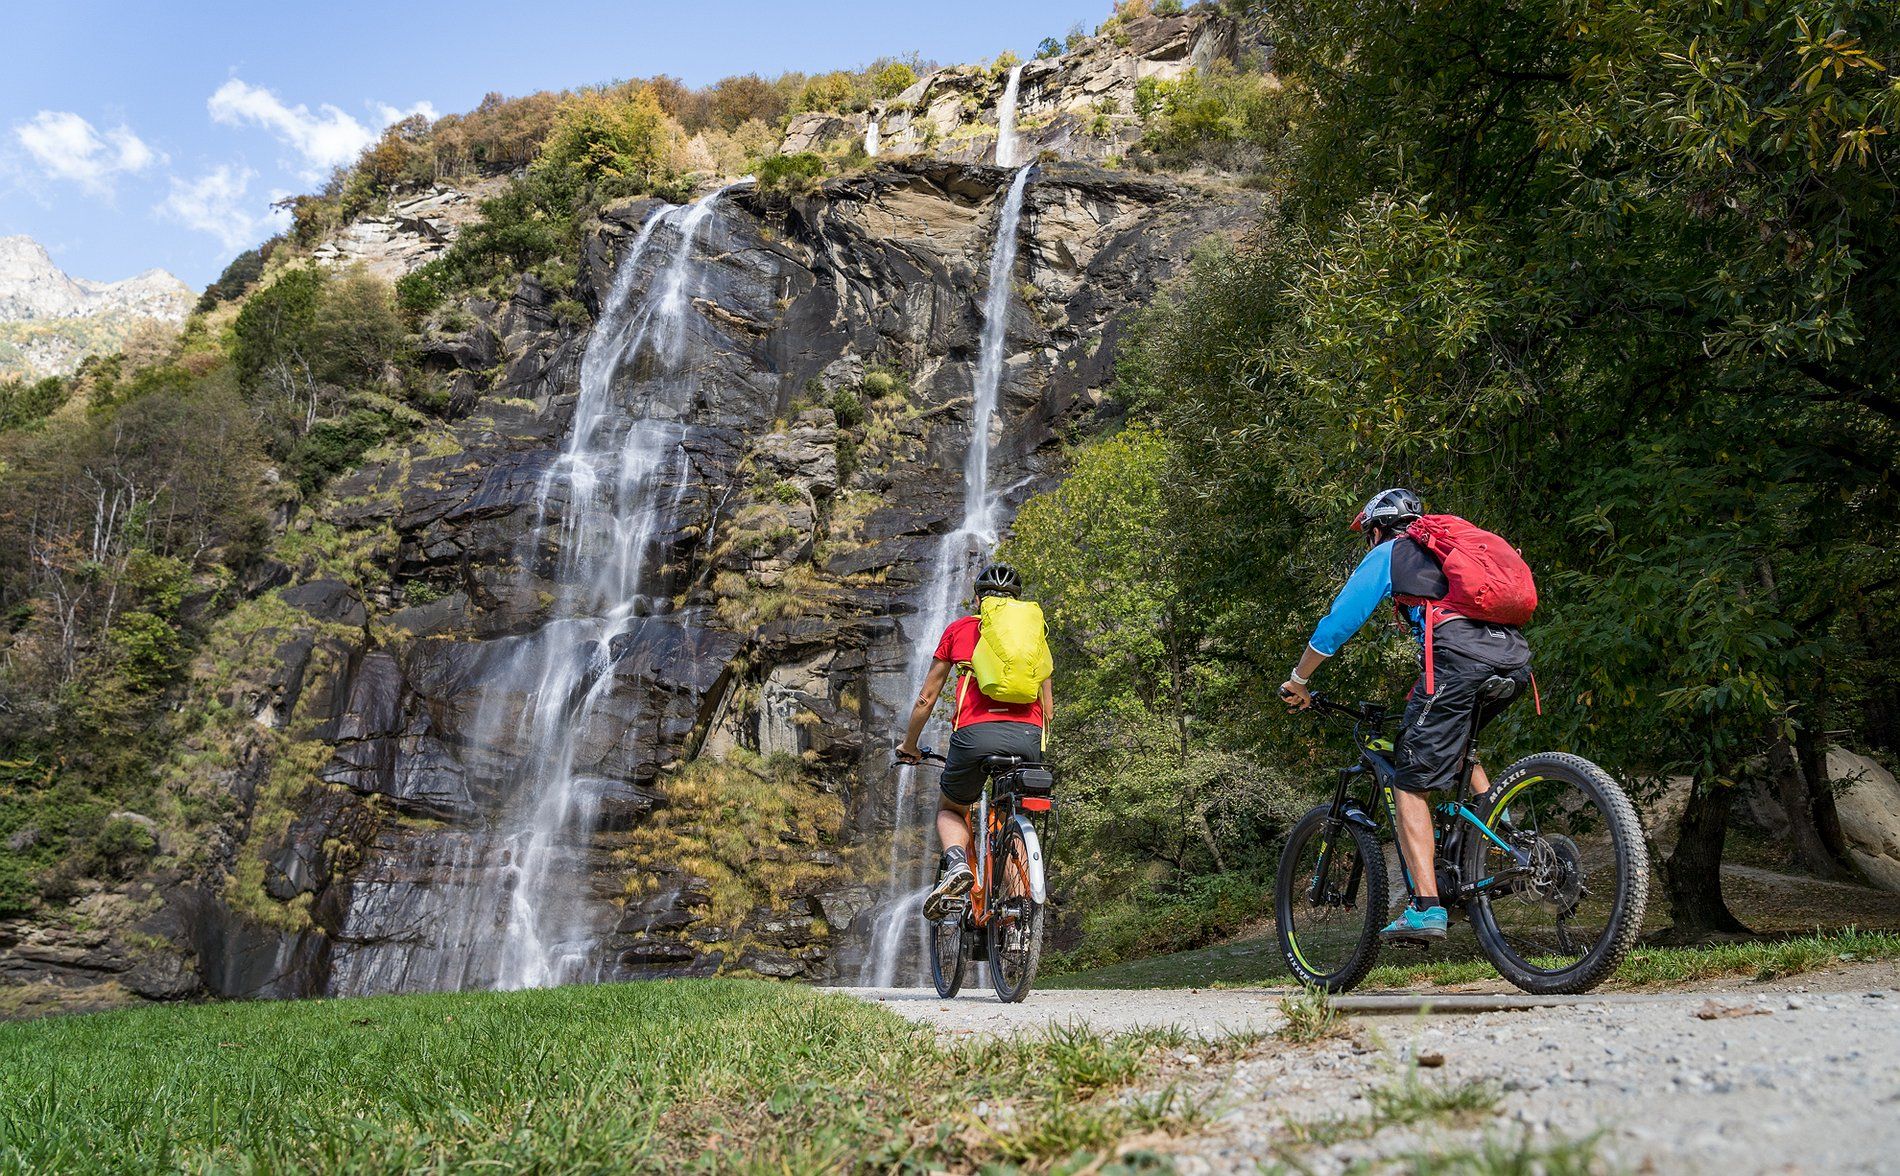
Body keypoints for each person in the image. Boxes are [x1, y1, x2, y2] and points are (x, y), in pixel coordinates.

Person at [1279, 488, 1532, 942]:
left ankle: (1426, 907)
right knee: (1457, 750)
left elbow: (1340, 620)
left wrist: (1299, 679)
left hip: (1457, 660)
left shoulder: (1391, 552)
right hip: (1513, 658)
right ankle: (1508, 844)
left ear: (1379, 528)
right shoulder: (1452, 546)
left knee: (1408, 781)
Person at [897, 563, 1053, 919]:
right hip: (1029, 738)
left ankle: (956, 866)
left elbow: (926, 698)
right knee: (1012, 813)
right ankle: (1015, 916)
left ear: (979, 598)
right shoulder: (1034, 637)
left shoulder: (962, 629)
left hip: (974, 736)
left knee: (952, 808)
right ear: (1017, 601)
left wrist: (910, 745)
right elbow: (1049, 708)